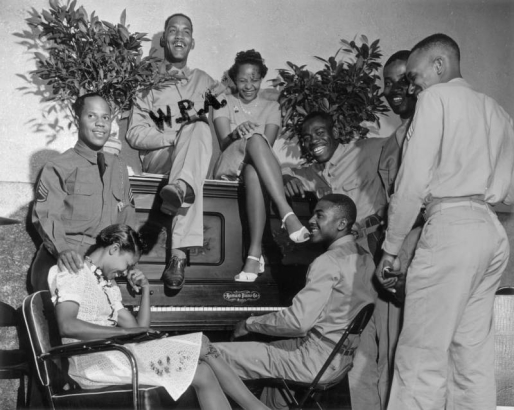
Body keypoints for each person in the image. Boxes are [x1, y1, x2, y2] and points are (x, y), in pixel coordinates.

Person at [376, 33, 514, 410]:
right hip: (491, 233)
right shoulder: (496, 110)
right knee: (471, 360)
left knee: (420, 358)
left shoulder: (435, 98)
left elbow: (412, 183)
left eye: (416, 77)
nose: (414, 87)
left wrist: (391, 248)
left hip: (451, 227)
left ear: (439, 65)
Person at [48, 223, 270, 410]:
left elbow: (139, 328)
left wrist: (145, 290)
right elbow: (67, 325)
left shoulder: (108, 285)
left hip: (117, 353)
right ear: (114, 249)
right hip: (94, 362)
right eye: (128, 264)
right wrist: (126, 332)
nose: (126, 272)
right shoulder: (74, 270)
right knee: (202, 347)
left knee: (202, 369)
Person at [215, 194, 376, 409]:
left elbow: (298, 323)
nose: (310, 221)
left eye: (319, 215)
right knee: (267, 362)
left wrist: (249, 323)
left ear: (342, 223)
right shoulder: (366, 257)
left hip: (313, 362)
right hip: (338, 360)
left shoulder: (328, 261)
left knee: (211, 354)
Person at [126, 13, 225, 291]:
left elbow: (228, 119)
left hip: (190, 164)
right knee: (193, 132)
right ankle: (179, 254)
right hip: (161, 159)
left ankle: (180, 188)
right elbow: (134, 133)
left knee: (199, 130)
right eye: (173, 30)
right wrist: (176, 136)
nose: (179, 36)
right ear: (164, 39)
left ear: (192, 42)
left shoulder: (206, 82)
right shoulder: (148, 83)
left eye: (186, 32)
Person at [212, 50, 310, 281]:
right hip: (229, 165)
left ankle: (254, 256)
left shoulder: (272, 107)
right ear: (235, 80)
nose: (248, 85)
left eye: (254, 80)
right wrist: (237, 133)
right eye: (243, 80)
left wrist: (251, 138)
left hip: (254, 167)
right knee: (255, 139)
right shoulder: (222, 102)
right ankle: (286, 213)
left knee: (254, 168)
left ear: (261, 79)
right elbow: (224, 143)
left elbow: (266, 147)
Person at [31, 93, 135, 292]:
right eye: (91, 116)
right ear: (77, 119)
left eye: (105, 117)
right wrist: (63, 249)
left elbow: (127, 217)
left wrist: (129, 262)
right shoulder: (58, 166)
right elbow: (46, 215)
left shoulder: (119, 168)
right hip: (63, 261)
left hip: (101, 264)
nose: (100, 124)